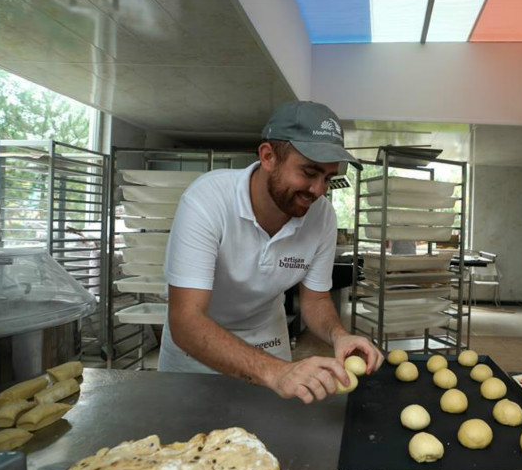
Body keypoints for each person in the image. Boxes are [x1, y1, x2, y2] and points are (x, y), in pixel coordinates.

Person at [158, 100, 383, 403]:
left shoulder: (322, 217)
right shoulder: (207, 201)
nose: (318, 191)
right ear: (268, 157)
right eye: (309, 172)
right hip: (195, 353)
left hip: (268, 343)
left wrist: (338, 335)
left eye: (327, 178)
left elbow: (315, 300)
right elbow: (186, 319)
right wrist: (276, 372)